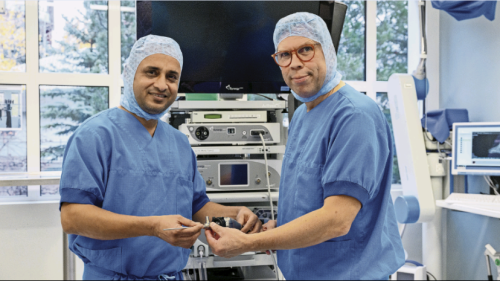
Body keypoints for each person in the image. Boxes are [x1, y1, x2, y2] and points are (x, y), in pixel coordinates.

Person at [205, 12, 405, 280]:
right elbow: (307, 200)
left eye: (306, 50)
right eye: (284, 55)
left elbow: (337, 219)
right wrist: (277, 230)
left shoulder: (355, 115)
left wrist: (248, 244)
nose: (295, 64)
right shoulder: (302, 114)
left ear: (328, 52)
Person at [59, 35, 261, 280]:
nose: (162, 84)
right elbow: (73, 217)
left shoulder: (179, 142)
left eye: (171, 77)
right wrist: (153, 227)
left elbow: (197, 206)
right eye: (152, 72)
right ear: (130, 73)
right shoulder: (95, 136)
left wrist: (234, 212)